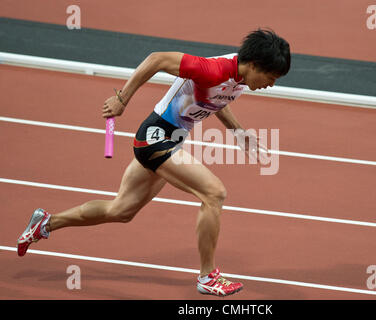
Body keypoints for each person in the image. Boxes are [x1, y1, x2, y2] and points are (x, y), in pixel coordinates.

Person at [17, 29, 291, 297]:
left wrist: (238, 133)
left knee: (121, 210)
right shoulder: (212, 69)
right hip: (155, 138)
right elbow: (156, 58)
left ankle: (45, 223)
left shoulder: (238, 79)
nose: (271, 84)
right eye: (271, 76)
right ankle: (208, 277)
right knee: (214, 193)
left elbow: (216, 98)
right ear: (254, 64)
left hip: (169, 141)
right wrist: (122, 99)